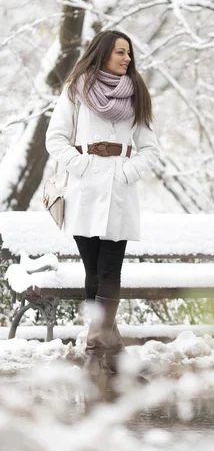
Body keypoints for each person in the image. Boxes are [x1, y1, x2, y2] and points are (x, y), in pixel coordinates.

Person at [45, 30, 161, 378]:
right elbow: (56, 139)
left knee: (111, 271)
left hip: (118, 195)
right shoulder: (76, 90)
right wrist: (83, 165)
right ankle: (113, 352)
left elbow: (151, 150)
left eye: (129, 53)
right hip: (84, 193)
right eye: (120, 53)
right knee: (94, 272)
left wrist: (125, 173)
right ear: (102, 54)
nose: (127, 59)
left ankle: (94, 351)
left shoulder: (136, 94)